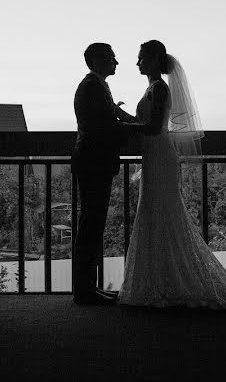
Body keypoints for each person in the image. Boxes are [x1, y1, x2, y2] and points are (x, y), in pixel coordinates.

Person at [116, 40, 226, 315]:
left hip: (159, 154)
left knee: (163, 212)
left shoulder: (160, 88)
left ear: (155, 59)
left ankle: (165, 282)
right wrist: (122, 115)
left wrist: (123, 123)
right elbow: (146, 123)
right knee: (157, 213)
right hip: (154, 156)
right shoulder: (153, 88)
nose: (137, 63)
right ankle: (161, 280)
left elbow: (154, 127)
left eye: (141, 57)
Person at [71, 43, 126, 305]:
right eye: (112, 58)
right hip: (94, 163)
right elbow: (104, 128)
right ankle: (84, 290)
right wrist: (140, 128)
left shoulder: (94, 86)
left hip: (93, 162)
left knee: (92, 226)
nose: (117, 62)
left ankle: (88, 287)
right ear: (98, 60)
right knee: (91, 226)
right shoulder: (93, 87)